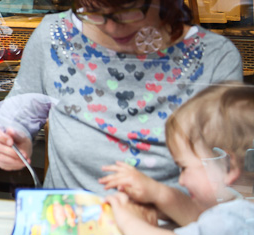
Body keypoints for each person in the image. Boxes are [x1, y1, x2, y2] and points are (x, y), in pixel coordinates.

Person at [0, 0, 242, 198]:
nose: (111, 28)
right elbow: (18, 113)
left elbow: (223, 179)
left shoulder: (214, 58)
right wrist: (12, 140)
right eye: (93, 11)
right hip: (67, 218)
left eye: (126, 10)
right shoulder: (54, 36)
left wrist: (160, 199)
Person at [104, 82, 254, 233]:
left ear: (227, 166)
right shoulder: (242, 214)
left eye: (184, 168)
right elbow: (198, 222)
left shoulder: (231, 219)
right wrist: (158, 195)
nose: (181, 181)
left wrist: (128, 219)